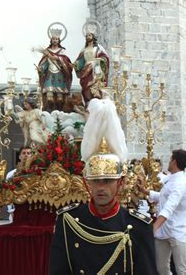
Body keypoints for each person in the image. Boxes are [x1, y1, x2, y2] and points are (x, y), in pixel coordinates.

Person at [49, 98, 157, 274]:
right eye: (96, 181)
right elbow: (58, 270)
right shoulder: (67, 221)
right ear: (87, 182)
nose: (100, 187)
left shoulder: (139, 226)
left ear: (120, 183)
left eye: (107, 181)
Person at [152, 149, 186, 275]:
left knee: (182, 269)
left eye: (170, 159)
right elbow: (163, 196)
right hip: (163, 231)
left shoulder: (181, 182)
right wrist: (146, 192)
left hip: (177, 230)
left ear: (174, 162)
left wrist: (154, 226)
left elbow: (170, 206)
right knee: (162, 267)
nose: (168, 162)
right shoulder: (170, 179)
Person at [37, 33, 73, 112]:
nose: (55, 40)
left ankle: (60, 113)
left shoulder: (63, 51)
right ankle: (49, 112)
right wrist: (41, 69)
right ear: (51, 40)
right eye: (53, 39)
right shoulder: (46, 51)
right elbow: (45, 64)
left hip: (60, 76)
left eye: (57, 39)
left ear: (59, 40)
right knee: (49, 98)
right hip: (49, 76)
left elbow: (67, 63)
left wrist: (58, 58)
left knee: (60, 99)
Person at [74, 32, 110, 105]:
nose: (88, 37)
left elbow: (105, 58)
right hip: (86, 71)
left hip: (96, 70)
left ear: (93, 37)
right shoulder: (84, 49)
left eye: (89, 35)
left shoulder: (98, 48)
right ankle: (88, 104)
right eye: (86, 36)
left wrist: (96, 61)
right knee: (86, 89)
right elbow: (80, 61)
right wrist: (76, 64)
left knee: (96, 88)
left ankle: (97, 104)